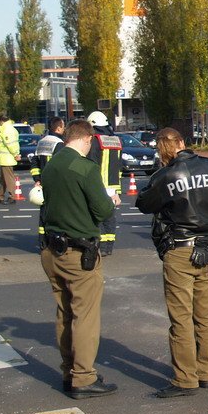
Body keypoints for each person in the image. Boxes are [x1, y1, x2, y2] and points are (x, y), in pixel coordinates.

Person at [136, 128, 208, 398]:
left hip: (180, 249)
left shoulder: (165, 175)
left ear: (162, 149)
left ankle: (185, 379)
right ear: (182, 142)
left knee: (181, 318)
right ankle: (205, 372)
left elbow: (144, 203)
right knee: (205, 314)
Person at [39, 119, 120, 399]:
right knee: (84, 315)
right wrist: (111, 201)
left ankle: (68, 371)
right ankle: (83, 377)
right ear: (86, 138)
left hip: (52, 249)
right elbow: (101, 210)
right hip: (78, 251)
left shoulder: (52, 165)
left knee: (64, 313)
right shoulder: (84, 168)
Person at [85, 111, 122, 255]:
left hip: (97, 185)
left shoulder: (94, 140)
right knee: (109, 218)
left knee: (97, 217)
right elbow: (118, 166)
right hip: (112, 187)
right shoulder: (116, 140)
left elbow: (90, 162)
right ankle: (108, 247)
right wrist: (116, 190)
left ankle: (99, 246)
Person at [31, 116, 66, 244]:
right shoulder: (59, 144)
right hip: (57, 186)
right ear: (58, 128)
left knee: (43, 215)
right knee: (57, 215)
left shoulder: (42, 141)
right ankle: (55, 243)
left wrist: (37, 179)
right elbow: (62, 165)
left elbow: (34, 162)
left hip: (44, 184)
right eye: (63, 126)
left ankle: (43, 243)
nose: (64, 129)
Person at [0, 114, 20, 204]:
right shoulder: (8, 128)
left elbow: (10, 144)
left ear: (1, 120)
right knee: (3, 178)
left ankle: (12, 196)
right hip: (5, 158)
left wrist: (16, 154)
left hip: (7, 158)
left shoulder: (6, 130)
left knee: (9, 178)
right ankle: (0, 196)